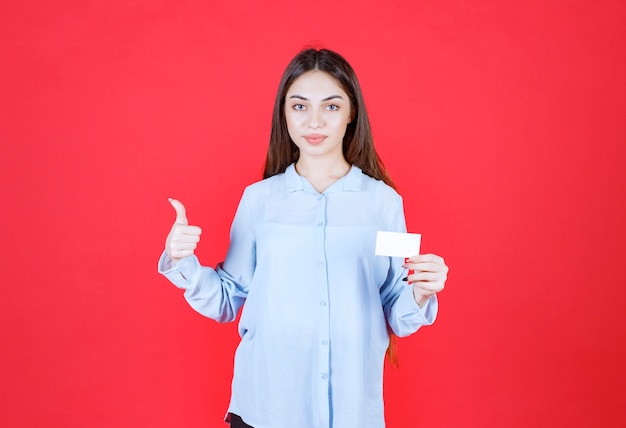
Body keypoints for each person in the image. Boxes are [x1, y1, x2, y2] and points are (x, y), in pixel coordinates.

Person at [158, 48, 448, 428]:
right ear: (284, 114)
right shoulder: (259, 200)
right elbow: (228, 299)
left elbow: (394, 306)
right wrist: (182, 261)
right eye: (299, 106)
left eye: (330, 106)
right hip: (267, 408)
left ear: (351, 113)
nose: (314, 121)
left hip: (351, 412)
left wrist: (422, 292)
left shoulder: (383, 204)